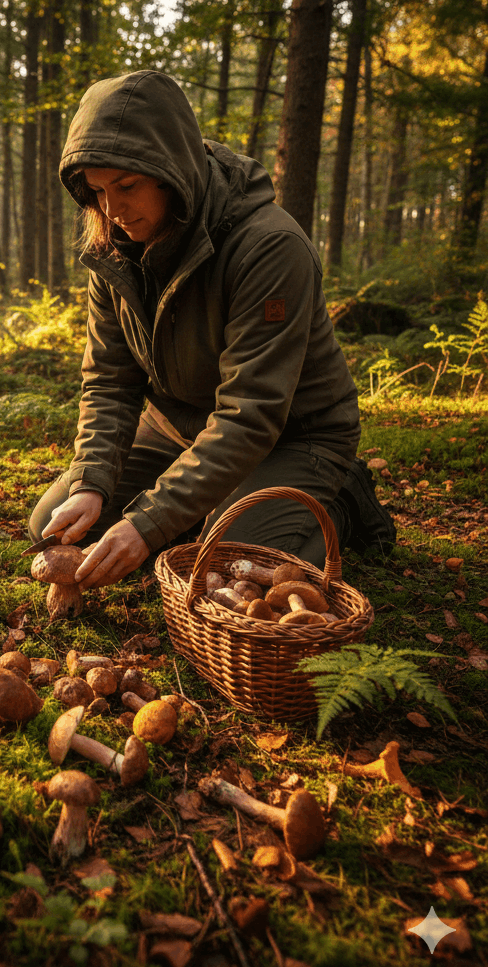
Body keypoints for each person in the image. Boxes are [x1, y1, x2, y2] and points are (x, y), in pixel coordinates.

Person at [29, 69, 396, 590]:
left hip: (291, 438)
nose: (112, 209)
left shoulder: (269, 248)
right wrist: (93, 481)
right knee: (54, 527)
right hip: (175, 430)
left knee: (227, 570)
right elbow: (110, 382)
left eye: (127, 186)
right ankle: (201, 507)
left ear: (171, 169)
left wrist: (148, 522)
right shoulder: (114, 249)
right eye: (97, 192)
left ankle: (335, 503)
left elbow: (251, 416)